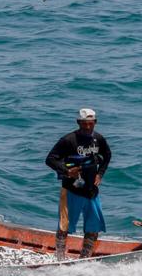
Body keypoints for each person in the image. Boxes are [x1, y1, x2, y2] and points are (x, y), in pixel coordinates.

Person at [45, 107, 112, 259]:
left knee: (93, 227)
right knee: (64, 226)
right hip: (71, 189)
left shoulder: (99, 139)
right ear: (78, 122)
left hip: (91, 190)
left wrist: (100, 174)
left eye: (91, 123)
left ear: (95, 122)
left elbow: (107, 155)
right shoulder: (68, 140)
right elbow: (50, 159)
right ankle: (60, 257)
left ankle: (85, 258)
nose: (88, 127)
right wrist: (67, 171)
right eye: (84, 124)